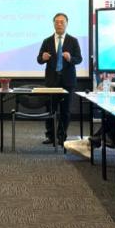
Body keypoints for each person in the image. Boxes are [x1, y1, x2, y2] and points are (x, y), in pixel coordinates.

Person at [36, 12, 82, 144]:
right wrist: (43, 58)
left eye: (62, 22)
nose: (59, 24)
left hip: (68, 81)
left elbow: (79, 59)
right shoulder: (47, 41)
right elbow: (39, 59)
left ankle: (62, 136)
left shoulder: (73, 41)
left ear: (67, 24)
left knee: (65, 111)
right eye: (57, 22)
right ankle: (50, 136)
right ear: (53, 24)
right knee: (50, 109)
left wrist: (70, 58)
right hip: (52, 81)